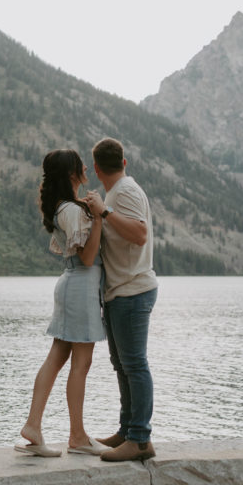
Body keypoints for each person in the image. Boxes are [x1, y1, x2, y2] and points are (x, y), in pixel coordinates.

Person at [16, 149, 110, 457]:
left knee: (57, 358)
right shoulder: (71, 211)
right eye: (80, 163)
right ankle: (78, 436)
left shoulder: (65, 207)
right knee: (81, 364)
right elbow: (86, 256)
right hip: (81, 285)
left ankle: (34, 425)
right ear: (72, 174)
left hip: (74, 285)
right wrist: (98, 217)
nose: (85, 166)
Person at [84, 137, 158, 462]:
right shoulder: (118, 191)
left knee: (134, 365)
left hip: (132, 290)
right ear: (124, 161)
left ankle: (140, 439)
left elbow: (139, 234)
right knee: (122, 366)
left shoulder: (124, 192)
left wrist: (105, 210)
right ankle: (127, 431)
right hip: (120, 292)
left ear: (97, 169)